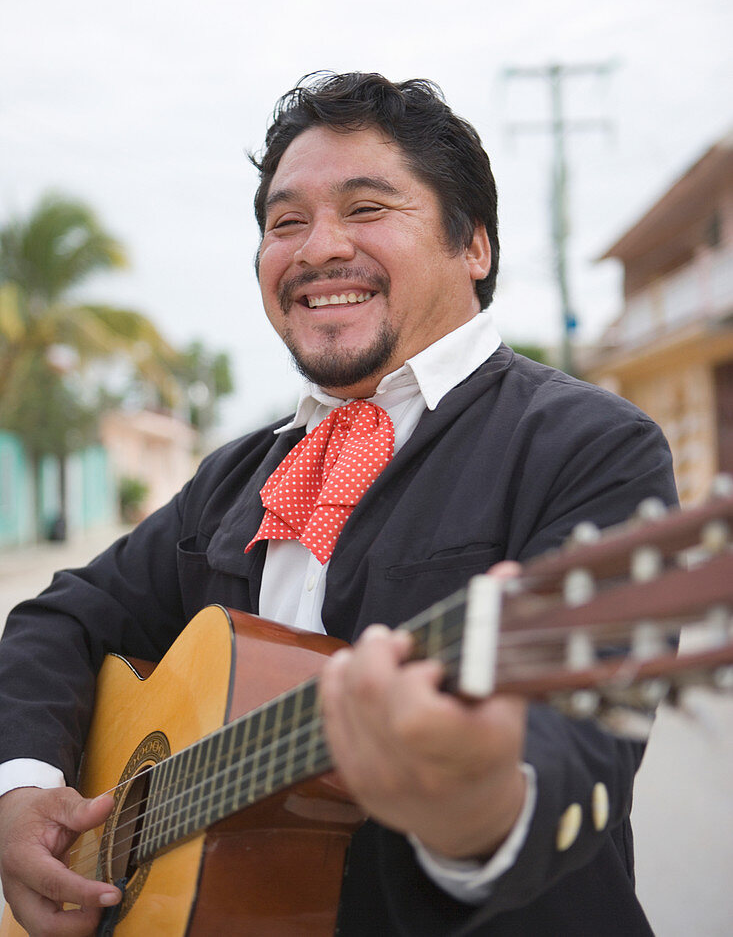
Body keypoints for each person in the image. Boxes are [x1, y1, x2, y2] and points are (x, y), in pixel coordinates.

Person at [0, 72, 676, 936]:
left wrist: (475, 801)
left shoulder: (588, 446)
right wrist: (22, 790)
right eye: (286, 222)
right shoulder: (237, 473)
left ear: (473, 245)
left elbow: (576, 758)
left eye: (365, 208)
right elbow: (62, 619)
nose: (317, 247)